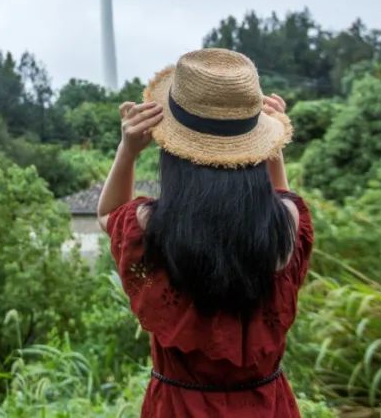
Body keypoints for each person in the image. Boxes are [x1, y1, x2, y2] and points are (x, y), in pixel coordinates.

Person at [98, 48, 313, 417]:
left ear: (171, 146)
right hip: (265, 404)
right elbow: (281, 197)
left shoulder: (150, 224)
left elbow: (107, 214)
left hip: (180, 407)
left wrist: (128, 150)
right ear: (257, 143)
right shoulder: (287, 223)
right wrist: (273, 149)